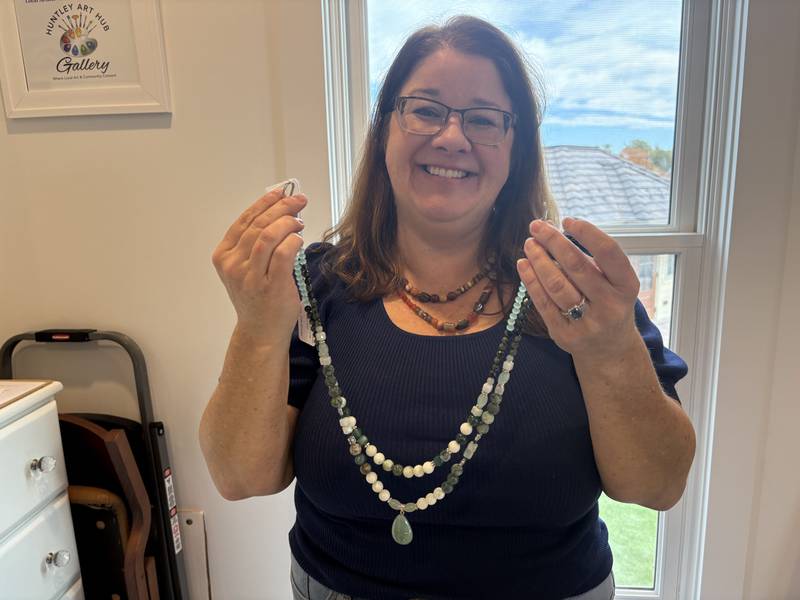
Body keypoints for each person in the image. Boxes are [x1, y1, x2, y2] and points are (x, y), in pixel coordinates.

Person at [199, 15, 695, 600]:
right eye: (426, 110)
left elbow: (657, 484)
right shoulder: (314, 286)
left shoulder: (574, 287)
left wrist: (610, 349)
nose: (452, 138)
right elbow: (239, 475)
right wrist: (258, 328)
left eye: (484, 119)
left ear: (516, 149)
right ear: (386, 129)